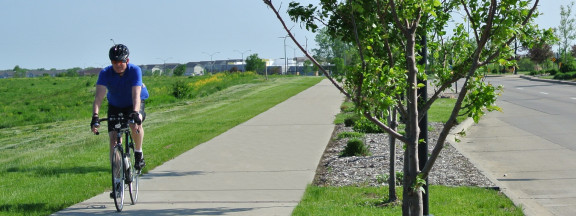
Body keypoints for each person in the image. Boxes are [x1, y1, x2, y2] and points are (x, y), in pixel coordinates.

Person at [90, 44, 149, 174]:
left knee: (134, 124)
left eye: (120, 61)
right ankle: (117, 173)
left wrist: (135, 113)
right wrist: (95, 116)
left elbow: (136, 95)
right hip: (115, 105)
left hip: (134, 102)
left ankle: (138, 154)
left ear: (127, 60)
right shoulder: (105, 73)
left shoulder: (134, 70)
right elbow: (99, 97)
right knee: (113, 137)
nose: (117, 65)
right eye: (114, 62)